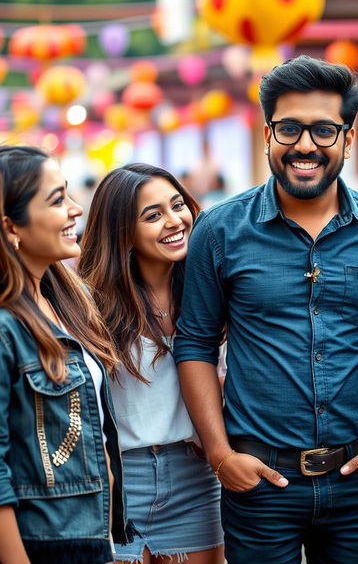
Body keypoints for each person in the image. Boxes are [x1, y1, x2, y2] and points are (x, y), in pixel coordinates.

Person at [173, 55, 358, 564]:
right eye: (289, 128)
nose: (305, 145)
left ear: (348, 137)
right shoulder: (219, 230)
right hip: (260, 484)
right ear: (267, 134)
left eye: (324, 130)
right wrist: (220, 455)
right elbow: (194, 344)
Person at [78, 164, 224, 564]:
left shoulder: (211, 291)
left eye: (178, 205)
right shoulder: (90, 306)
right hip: (121, 476)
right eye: (153, 215)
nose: (174, 221)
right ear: (123, 231)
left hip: (195, 472)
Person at [0, 146, 131, 564]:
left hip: (91, 537)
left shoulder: (65, 299)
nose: (76, 209)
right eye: (57, 200)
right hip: (43, 545)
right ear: (10, 227)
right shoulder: (6, 327)